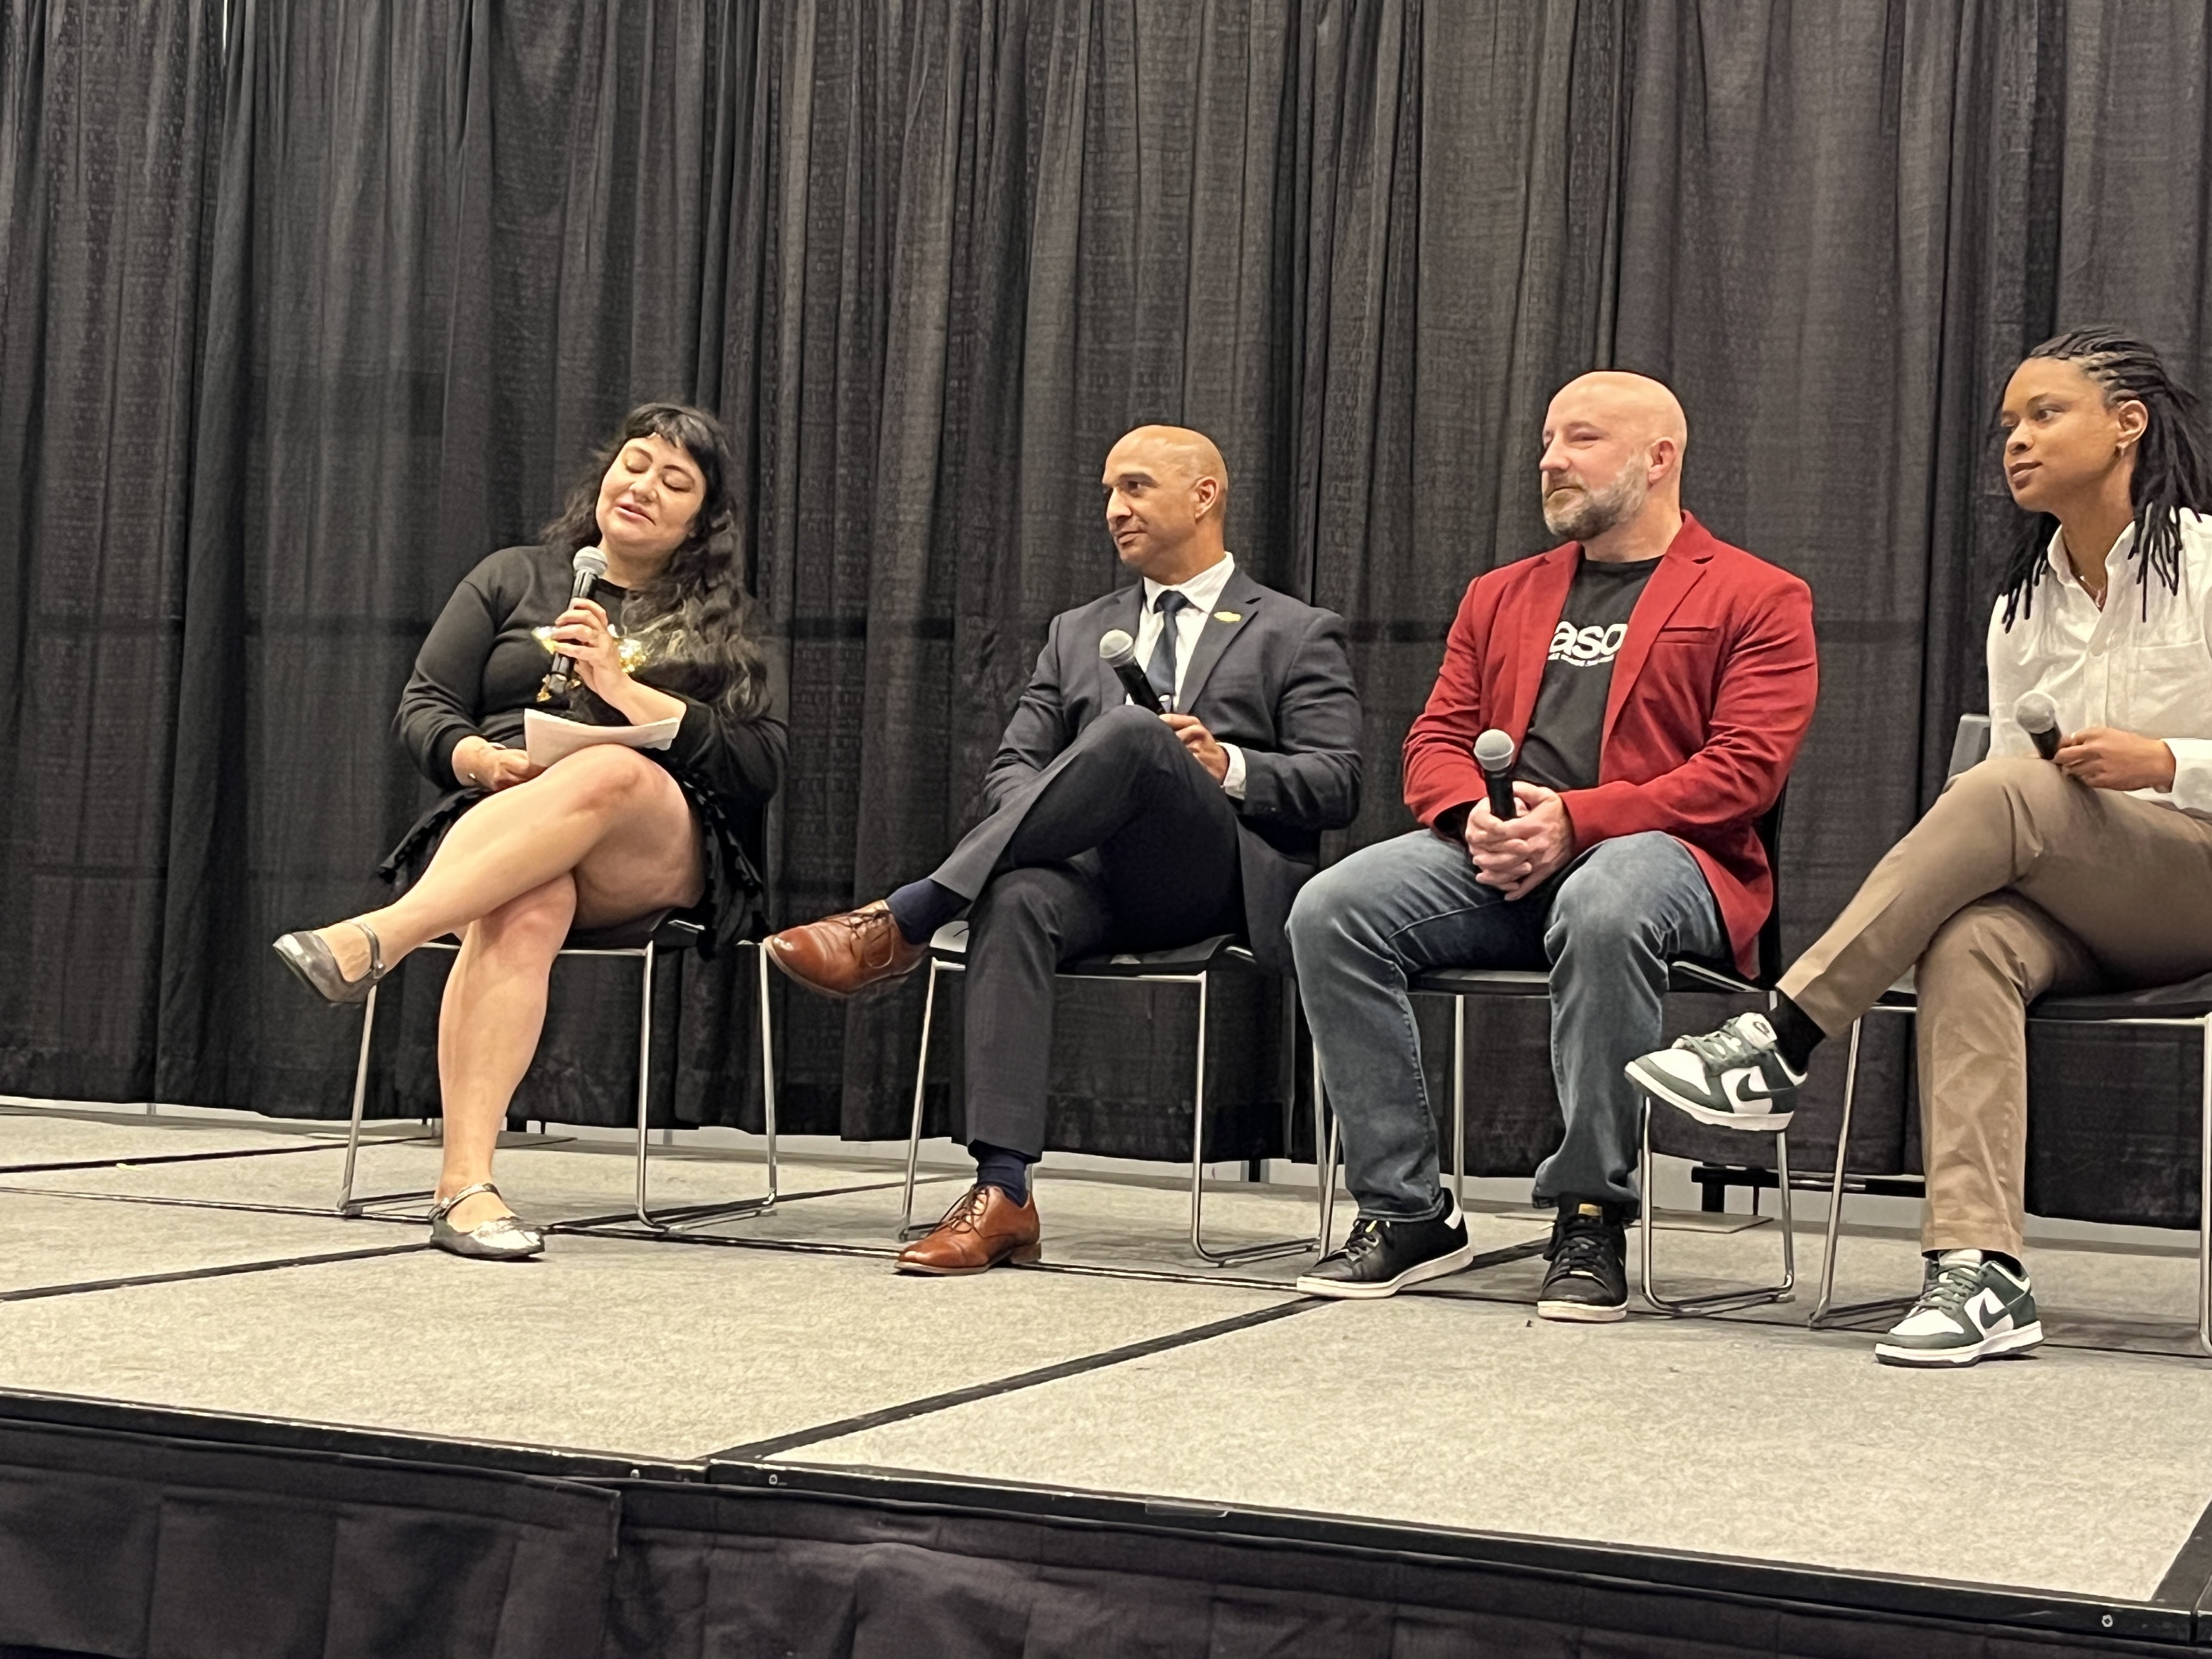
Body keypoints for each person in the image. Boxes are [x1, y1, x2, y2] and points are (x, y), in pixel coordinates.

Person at [1634, 328, 2212, 1366]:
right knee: (1969, 939)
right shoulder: (2021, 606)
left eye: (2046, 415)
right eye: (2009, 424)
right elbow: (2015, 792)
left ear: (2128, 424)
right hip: (2083, 892)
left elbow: (2029, 790)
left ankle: (1781, 1036)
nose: (2017, 441)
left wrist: (2167, 760)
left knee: (2011, 789)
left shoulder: (2208, 567)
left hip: (2196, 876)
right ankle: (1981, 1269)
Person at [766, 424, 1362, 1273]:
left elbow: (1338, 783)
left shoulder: (1295, 630)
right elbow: (1013, 769)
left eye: (1136, 487)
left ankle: (911, 916)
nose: (1114, 509)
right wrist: (1057, 815)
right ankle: (1004, 1191)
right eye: (1108, 493)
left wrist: (1227, 764)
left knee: (1136, 735)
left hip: (1214, 881)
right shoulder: (1076, 631)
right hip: (1092, 884)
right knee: (1016, 898)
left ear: (1204, 496)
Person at [1285, 372, 1818, 1319]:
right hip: (1506, 862)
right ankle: (1408, 1211)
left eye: (1582, 439)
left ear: (1659, 458)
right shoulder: (1501, 595)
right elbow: (1435, 740)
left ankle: (1590, 1212)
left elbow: (1744, 771)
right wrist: (1472, 818)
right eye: (1546, 441)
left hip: (1672, 859)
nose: (1551, 460)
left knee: (1603, 900)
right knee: (1332, 910)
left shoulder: (1757, 594)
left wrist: (1578, 820)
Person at [273, 403, 786, 1261]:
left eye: (675, 482)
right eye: (634, 465)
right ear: (604, 476)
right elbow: (425, 706)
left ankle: (382, 937)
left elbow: (761, 763)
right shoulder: (512, 577)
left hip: (654, 843)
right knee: (527, 900)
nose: (643, 487)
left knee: (612, 770)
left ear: (701, 521)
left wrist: (624, 692)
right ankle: (464, 1188)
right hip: (509, 813)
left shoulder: (724, 618)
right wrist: (479, 759)